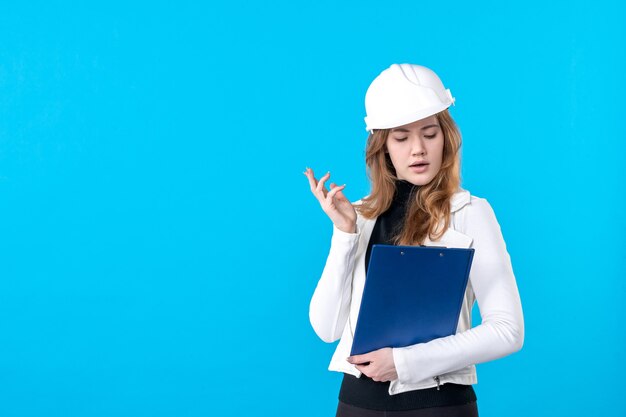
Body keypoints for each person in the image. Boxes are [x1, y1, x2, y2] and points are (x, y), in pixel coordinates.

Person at [303, 63, 524, 417]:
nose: (417, 149)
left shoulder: (471, 212)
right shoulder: (358, 215)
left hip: (437, 406)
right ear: (383, 146)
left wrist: (404, 363)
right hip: (356, 406)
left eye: (429, 133)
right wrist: (344, 235)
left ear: (446, 137)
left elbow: (508, 330)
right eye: (402, 137)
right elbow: (326, 329)